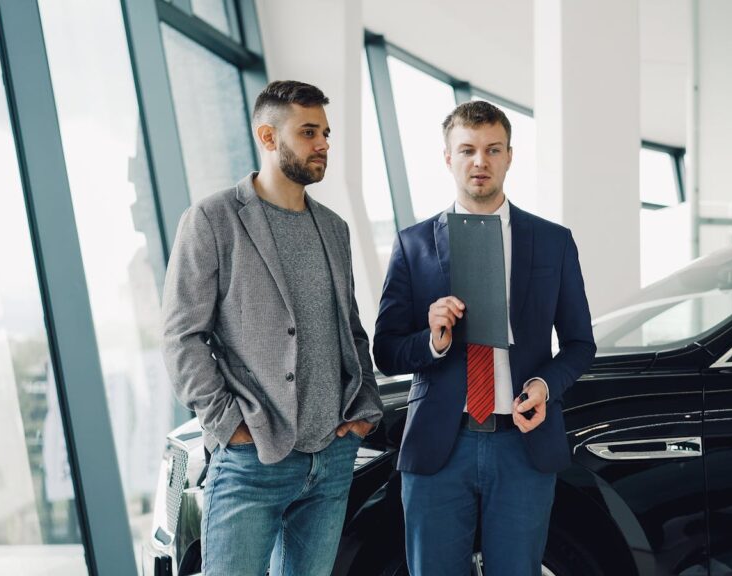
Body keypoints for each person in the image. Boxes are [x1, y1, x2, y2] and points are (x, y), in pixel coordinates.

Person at [161, 80, 383, 576]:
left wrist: (363, 408)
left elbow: (351, 328)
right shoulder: (212, 220)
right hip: (251, 461)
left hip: (330, 461)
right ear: (268, 136)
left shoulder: (333, 227)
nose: (324, 143)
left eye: (325, 132)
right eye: (308, 132)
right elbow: (181, 336)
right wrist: (228, 425)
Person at [373, 100, 596, 575]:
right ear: (448, 158)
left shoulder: (553, 242)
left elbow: (580, 344)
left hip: (522, 444)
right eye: (468, 150)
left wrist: (545, 386)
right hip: (439, 445)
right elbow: (386, 350)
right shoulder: (413, 245)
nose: (481, 161)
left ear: (510, 156)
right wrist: (432, 340)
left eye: (493, 149)